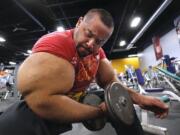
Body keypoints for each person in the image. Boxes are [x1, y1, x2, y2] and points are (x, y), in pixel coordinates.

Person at [0, 8, 168, 135]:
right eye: (89, 34)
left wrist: (140, 99)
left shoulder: (97, 54)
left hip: (77, 97)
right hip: (38, 106)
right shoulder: (57, 45)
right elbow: (44, 102)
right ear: (79, 22)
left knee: (121, 102)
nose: (91, 44)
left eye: (99, 42)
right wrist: (100, 111)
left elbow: (111, 84)